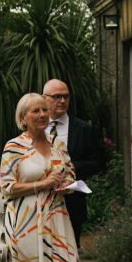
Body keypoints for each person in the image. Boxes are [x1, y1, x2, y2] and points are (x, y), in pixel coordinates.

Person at [0, 93, 87, 262]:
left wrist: (67, 185)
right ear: (23, 118)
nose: (42, 115)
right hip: (25, 223)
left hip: (57, 221)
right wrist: (43, 183)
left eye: (43, 110)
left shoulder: (57, 143)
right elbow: (6, 187)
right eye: (35, 111)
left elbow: (69, 172)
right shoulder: (14, 147)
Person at [42, 79, 104, 249]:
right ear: (44, 98)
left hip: (72, 204)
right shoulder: (35, 128)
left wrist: (73, 167)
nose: (62, 101)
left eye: (66, 96)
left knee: (70, 257)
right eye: (56, 96)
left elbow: (97, 163)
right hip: (39, 204)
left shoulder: (84, 129)